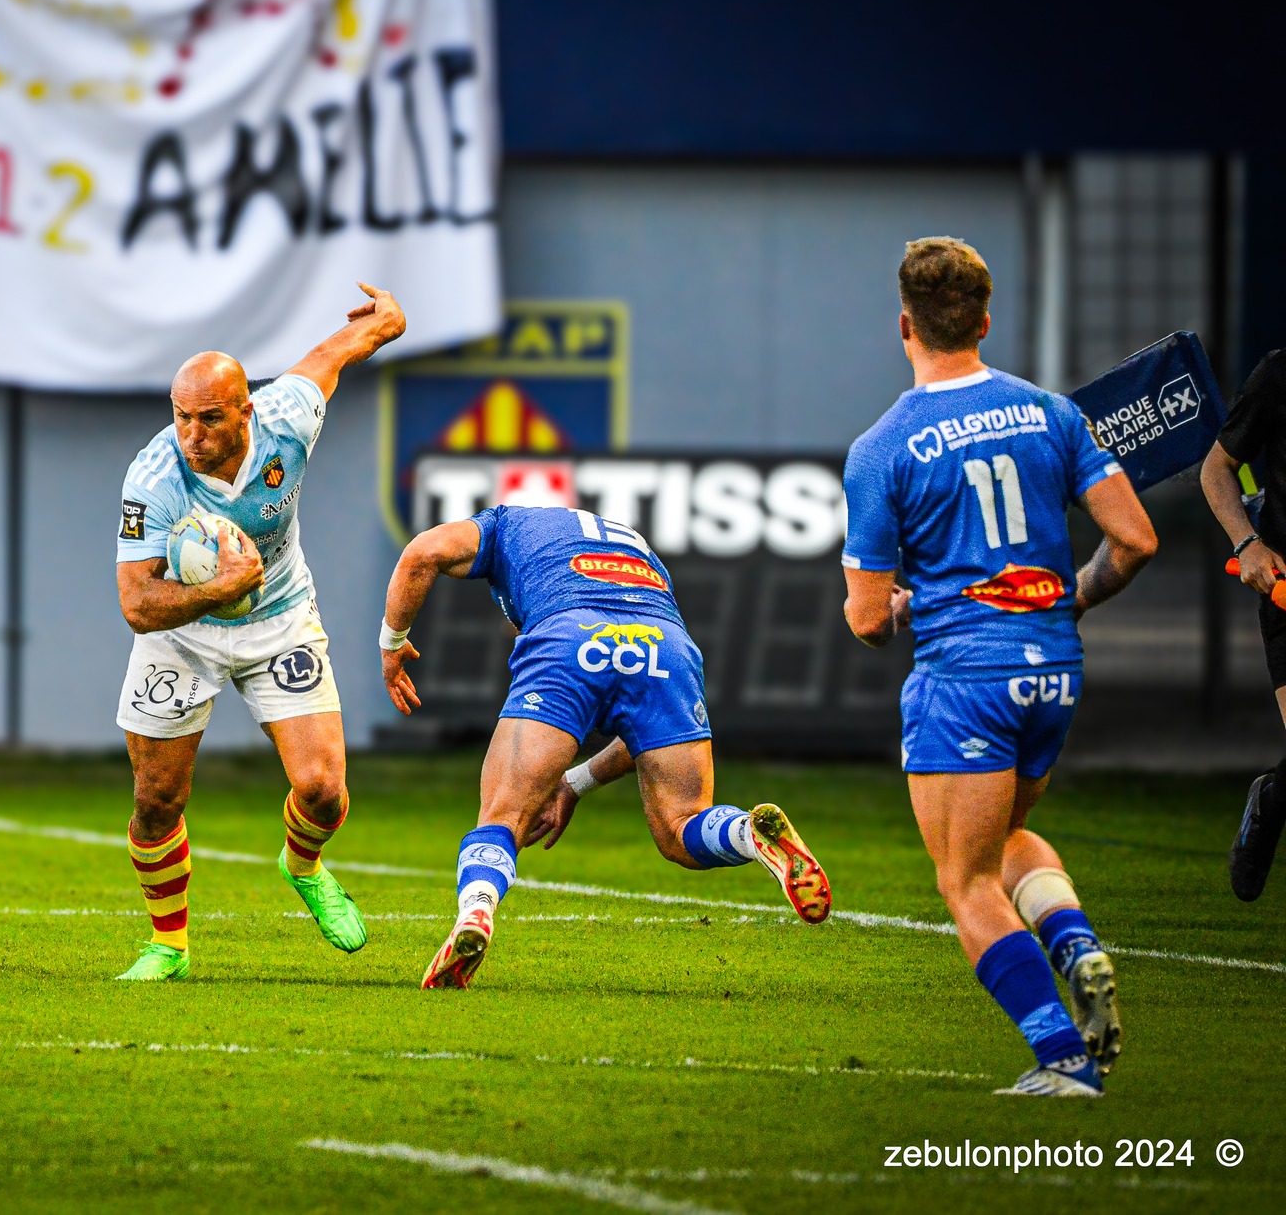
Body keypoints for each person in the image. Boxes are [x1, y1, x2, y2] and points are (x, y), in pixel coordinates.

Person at [842, 237, 1156, 1097]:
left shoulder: (884, 446)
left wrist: (906, 607)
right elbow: (1134, 539)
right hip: (1053, 670)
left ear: (904, 325)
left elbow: (868, 618)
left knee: (965, 879)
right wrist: (1074, 597)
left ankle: (1063, 1058)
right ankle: (1075, 945)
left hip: (963, 681)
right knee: (1008, 837)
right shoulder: (1053, 414)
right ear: (984, 320)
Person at [381, 504, 834, 992]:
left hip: (568, 637)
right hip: (665, 645)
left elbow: (423, 551)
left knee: (502, 817)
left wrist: (393, 644)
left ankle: (475, 915)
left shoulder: (504, 523)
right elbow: (642, 737)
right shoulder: (631, 544)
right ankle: (748, 831)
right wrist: (573, 785)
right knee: (682, 826)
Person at [110, 283, 406, 982]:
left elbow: (333, 353)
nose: (192, 436)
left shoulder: (287, 417)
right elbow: (136, 602)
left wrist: (386, 322)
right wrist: (219, 589)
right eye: (181, 418)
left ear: (246, 410)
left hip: (279, 618)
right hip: (182, 633)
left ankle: (302, 864)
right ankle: (168, 947)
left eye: (209, 419)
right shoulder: (153, 478)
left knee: (325, 791)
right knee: (156, 800)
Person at [1198, 358, 1286, 902]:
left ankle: (1277, 795)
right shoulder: (1278, 375)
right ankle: (1273, 804)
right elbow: (1217, 469)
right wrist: (1247, 543)